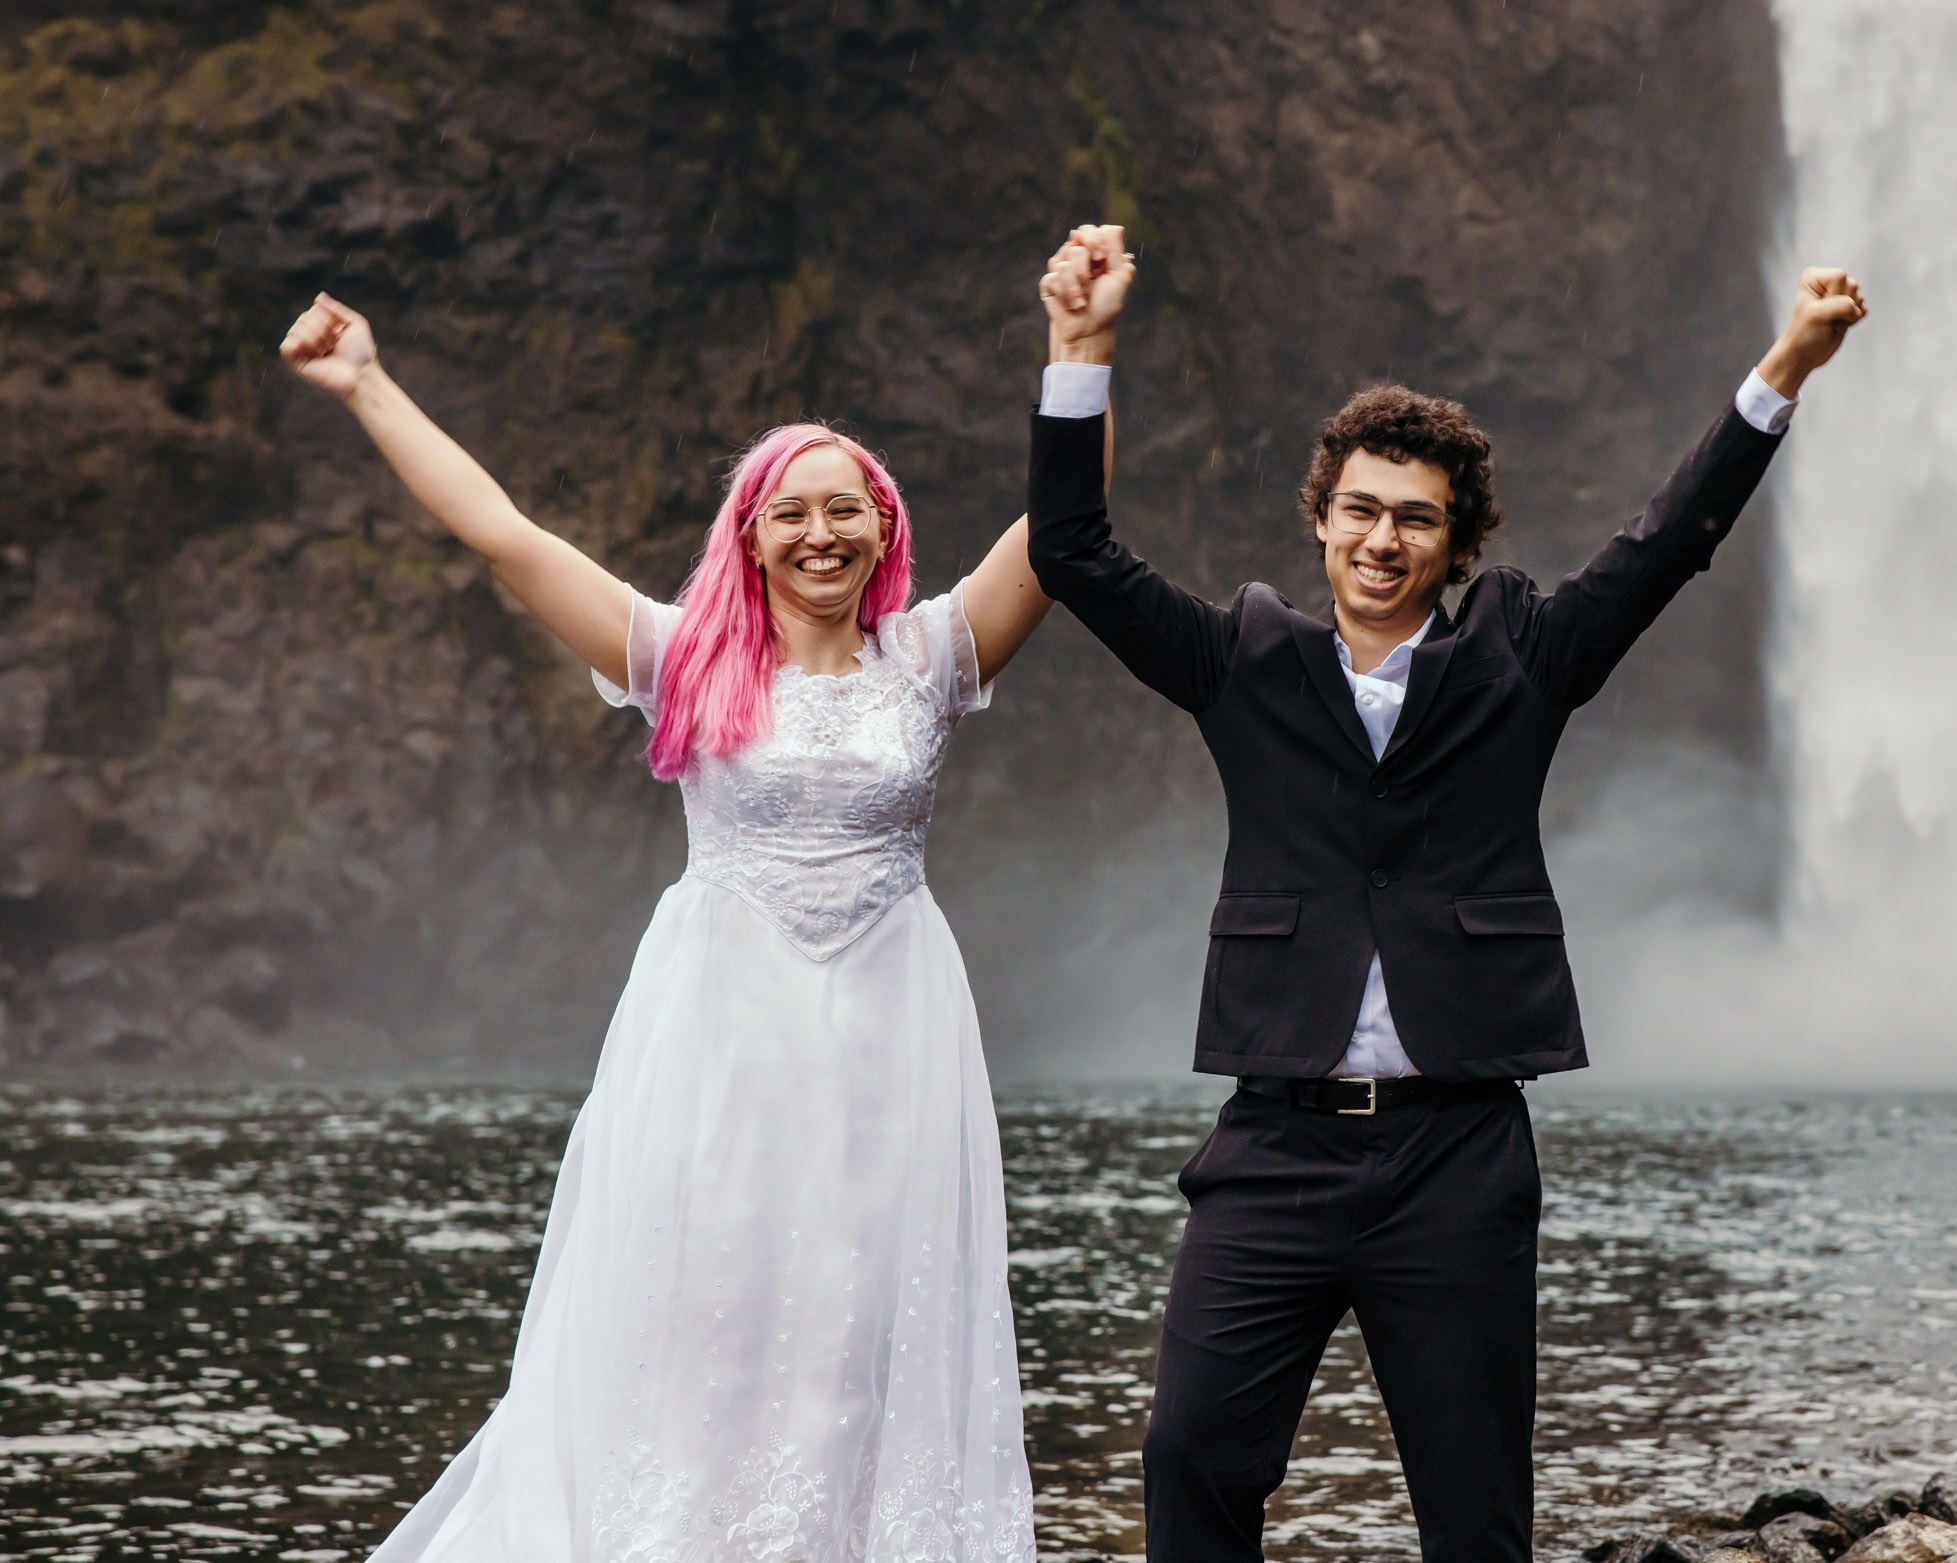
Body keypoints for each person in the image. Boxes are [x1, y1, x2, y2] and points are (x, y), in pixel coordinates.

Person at [1026, 228, 1866, 1563]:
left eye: (1416, 516)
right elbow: (1070, 550)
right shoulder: (1240, 657)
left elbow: (1663, 544)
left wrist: (1786, 367)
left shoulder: (1521, 655)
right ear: (1320, 517)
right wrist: (1082, 349)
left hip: (1457, 1151)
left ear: (1456, 540)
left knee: (1474, 1510)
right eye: (1360, 507)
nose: (1382, 536)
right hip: (1276, 1141)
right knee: (1188, 1450)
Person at [280, 281, 1080, 1563]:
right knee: (714, 1294)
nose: (820, 531)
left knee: (864, 1303)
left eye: (845, 509)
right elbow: (505, 535)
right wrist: (367, 379)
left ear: (885, 529)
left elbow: (1065, 530)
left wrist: (1079, 348)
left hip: (894, 1028)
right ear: (752, 538)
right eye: (790, 512)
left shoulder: (934, 657)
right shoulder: (684, 655)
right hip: (720, 1029)